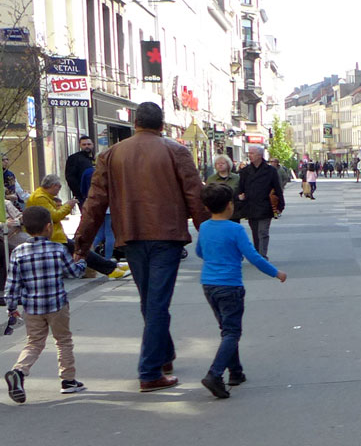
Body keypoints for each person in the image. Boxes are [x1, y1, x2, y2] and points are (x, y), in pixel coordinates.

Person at [72, 101, 208, 392]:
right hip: (166, 235)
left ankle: (164, 354)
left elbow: (95, 203)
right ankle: (149, 371)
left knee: (150, 299)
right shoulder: (176, 151)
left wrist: (82, 243)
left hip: (130, 235)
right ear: (161, 125)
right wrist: (207, 232)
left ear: (135, 123)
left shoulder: (111, 155)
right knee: (157, 301)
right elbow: (195, 195)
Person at [196, 183, 286, 398]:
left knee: (226, 328)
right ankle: (214, 374)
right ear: (230, 205)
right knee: (232, 332)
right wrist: (275, 273)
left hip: (209, 284)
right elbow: (253, 256)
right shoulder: (235, 229)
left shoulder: (205, 227)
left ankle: (235, 372)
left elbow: (200, 252)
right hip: (230, 285)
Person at [4, 205, 88, 401]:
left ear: (25, 228)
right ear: (49, 226)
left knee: (34, 343)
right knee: (63, 341)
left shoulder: (18, 252)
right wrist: (81, 262)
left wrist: (11, 307)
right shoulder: (57, 249)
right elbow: (74, 273)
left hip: (31, 308)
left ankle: (19, 371)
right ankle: (68, 381)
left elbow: (13, 283)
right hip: (57, 305)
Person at [26, 175, 122, 279]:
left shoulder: (43, 196)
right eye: (59, 187)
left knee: (81, 250)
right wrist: (68, 206)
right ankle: (111, 268)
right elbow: (54, 216)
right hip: (53, 236)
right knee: (81, 252)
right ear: (53, 186)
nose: (59, 191)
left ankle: (111, 267)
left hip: (55, 234)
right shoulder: (40, 197)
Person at [235, 145, 283, 257]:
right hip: (250, 206)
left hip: (265, 205)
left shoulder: (270, 171)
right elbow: (240, 189)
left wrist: (280, 204)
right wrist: (239, 198)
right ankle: (258, 253)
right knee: (255, 232)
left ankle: (262, 255)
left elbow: (277, 188)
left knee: (263, 232)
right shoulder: (245, 171)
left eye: (252, 153)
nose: (249, 155)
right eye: (249, 153)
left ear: (260, 155)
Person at [64, 135, 94, 203]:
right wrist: (79, 194)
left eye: (89, 144)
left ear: (93, 145)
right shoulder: (74, 158)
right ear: (80, 145)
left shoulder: (96, 158)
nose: (87, 146)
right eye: (84, 144)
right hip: (83, 195)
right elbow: (70, 178)